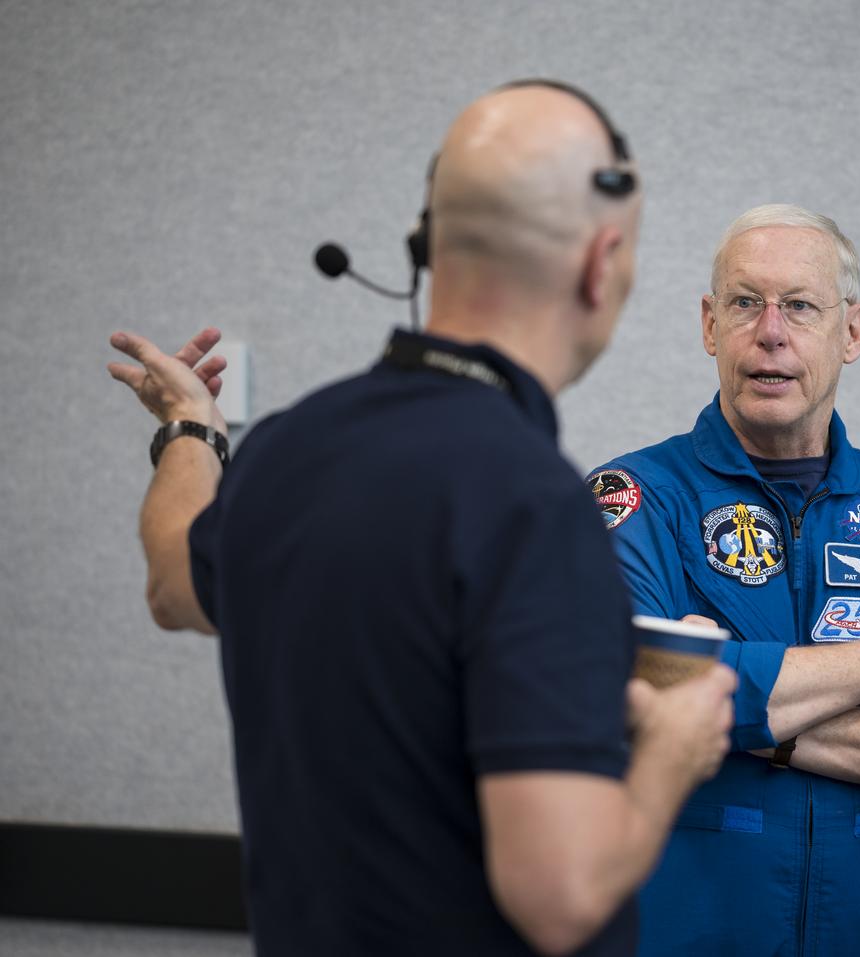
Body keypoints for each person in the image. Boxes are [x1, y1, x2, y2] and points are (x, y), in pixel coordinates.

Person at [107, 81, 737, 957]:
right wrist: (673, 747)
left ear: (425, 250)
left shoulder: (290, 446)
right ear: (601, 263)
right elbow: (558, 895)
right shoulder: (532, 505)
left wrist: (190, 431)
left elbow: (173, 583)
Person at [587, 203, 860, 956]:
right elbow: (629, 685)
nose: (771, 331)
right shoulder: (634, 499)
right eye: (744, 302)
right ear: (709, 326)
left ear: (852, 331)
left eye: (800, 305)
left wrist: (732, 709)